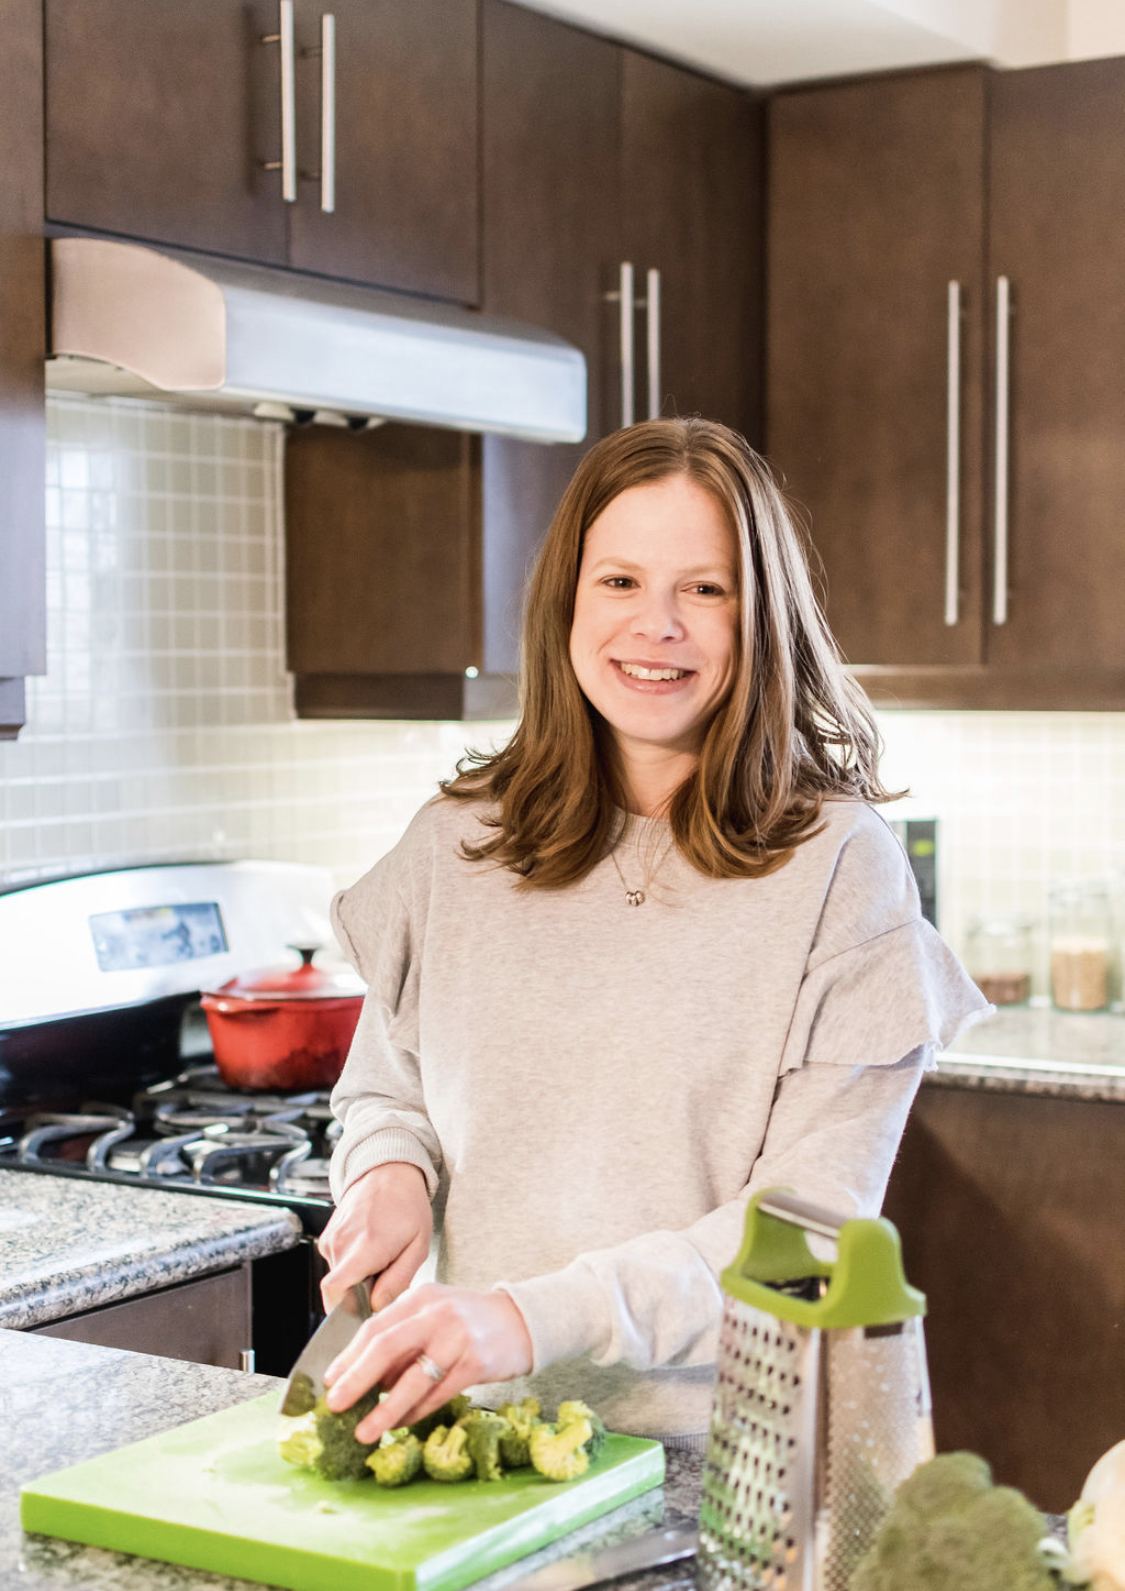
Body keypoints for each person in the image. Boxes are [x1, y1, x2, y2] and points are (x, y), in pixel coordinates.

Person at [318, 417, 988, 1451]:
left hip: (717, 1468)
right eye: (620, 581)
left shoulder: (841, 870)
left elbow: (805, 1232)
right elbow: (385, 1088)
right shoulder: (457, 843)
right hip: (480, 1450)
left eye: (705, 589)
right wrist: (386, 1175)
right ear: (567, 603)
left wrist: (528, 1318)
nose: (657, 624)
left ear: (758, 616)